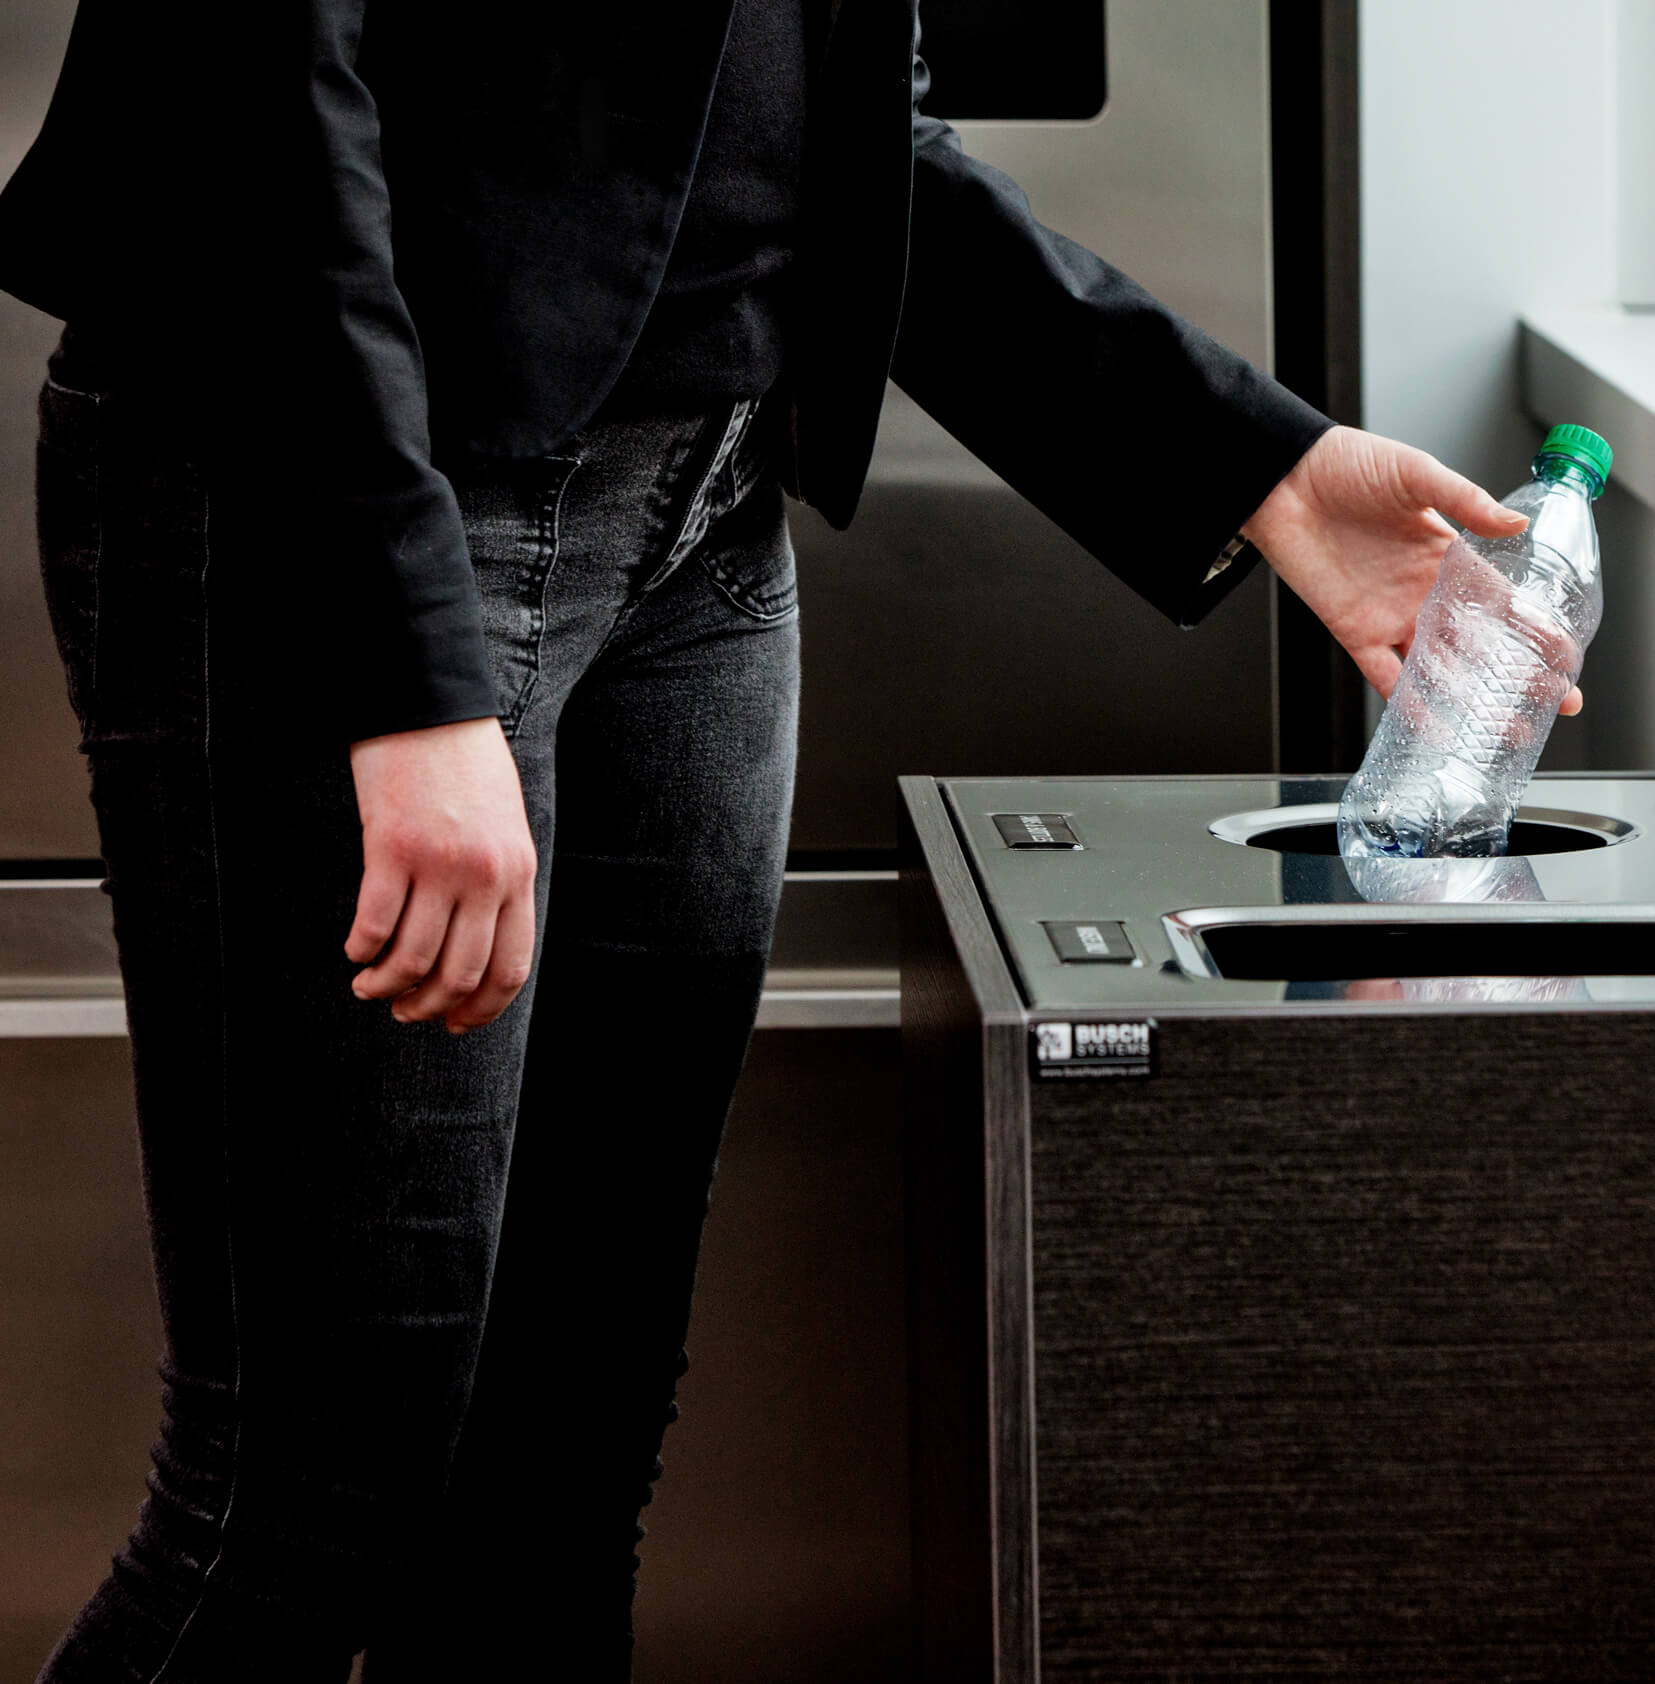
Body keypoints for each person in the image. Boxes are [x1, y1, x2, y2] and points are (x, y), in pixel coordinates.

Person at [0, 2, 1579, 1678]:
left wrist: (1258, 467)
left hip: (704, 519)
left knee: (560, 1465)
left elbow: (847, 131)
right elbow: (248, 93)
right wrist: (400, 669)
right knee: (308, 1505)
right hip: (355, 505)